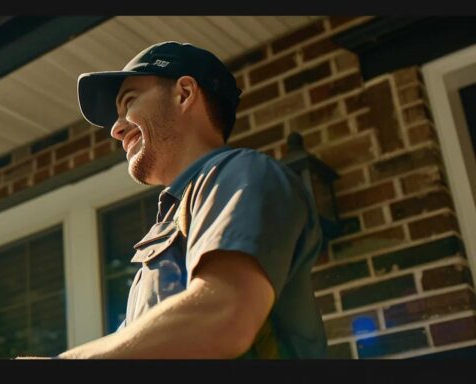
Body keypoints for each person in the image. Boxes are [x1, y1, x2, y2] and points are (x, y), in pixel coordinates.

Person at [53, 41, 327, 358]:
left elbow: (222, 316)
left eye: (128, 103)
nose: (116, 128)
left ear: (184, 93)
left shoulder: (242, 172)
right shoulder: (166, 229)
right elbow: (134, 345)